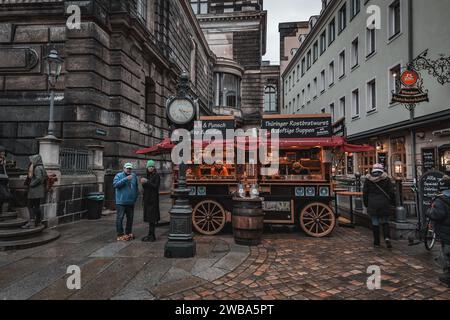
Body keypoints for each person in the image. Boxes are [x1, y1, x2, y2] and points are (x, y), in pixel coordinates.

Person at [363, 163, 395, 248]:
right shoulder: (386, 179)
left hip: (372, 203)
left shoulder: (368, 179)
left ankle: (376, 242)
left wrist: (366, 203)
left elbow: (365, 193)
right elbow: (391, 192)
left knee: (375, 222)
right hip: (384, 203)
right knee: (385, 221)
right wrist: (392, 202)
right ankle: (387, 237)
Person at [426, 175, 450, 287]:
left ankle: (448, 276)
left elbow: (437, 215)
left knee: (447, 253)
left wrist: (428, 211)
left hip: (445, 232)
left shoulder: (440, 200)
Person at [113, 163, 139, 241]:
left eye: (130, 168)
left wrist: (135, 197)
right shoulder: (119, 175)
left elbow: (136, 187)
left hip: (131, 202)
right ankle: (120, 234)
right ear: (124, 168)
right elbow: (115, 185)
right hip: (121, 202)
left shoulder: (134, 176)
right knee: (120, 218)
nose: (128, 170)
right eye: (127, 168)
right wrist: (126, 179)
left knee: (130, 218)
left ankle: (128, 232)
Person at [24, 155, 47, 228]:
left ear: (36, 160)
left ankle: (32, 222)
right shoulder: (42, 167)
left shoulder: (37, 168)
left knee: (30, 205)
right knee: (36, 206)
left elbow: (39, 178)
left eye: (32, 159)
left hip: (34, 190)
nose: (31, 161)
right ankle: (38, 221)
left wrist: (31, 184)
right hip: (39, 190)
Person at [141, 160, 161, 242]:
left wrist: (147, 182)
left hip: (153, 200)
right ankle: (149, 235)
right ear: (147, 167)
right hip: (147, 199)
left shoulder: (156, 175)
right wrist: (143, 183)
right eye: (149, 166)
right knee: (149, 218)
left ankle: (152, 236)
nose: (150, 168)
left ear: (154, 167)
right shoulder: (147, 175)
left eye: (152, 166)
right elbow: (146, 188)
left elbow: (155, 186)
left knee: (152, 218)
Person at [0, 146, 11, 214]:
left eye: (4, 152)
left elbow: (4, 172)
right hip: (1, 182)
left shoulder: (3, 162)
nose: (3, 154)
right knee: (5, 196)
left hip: (3, 182)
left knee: (5, 197)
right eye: (2, 152)